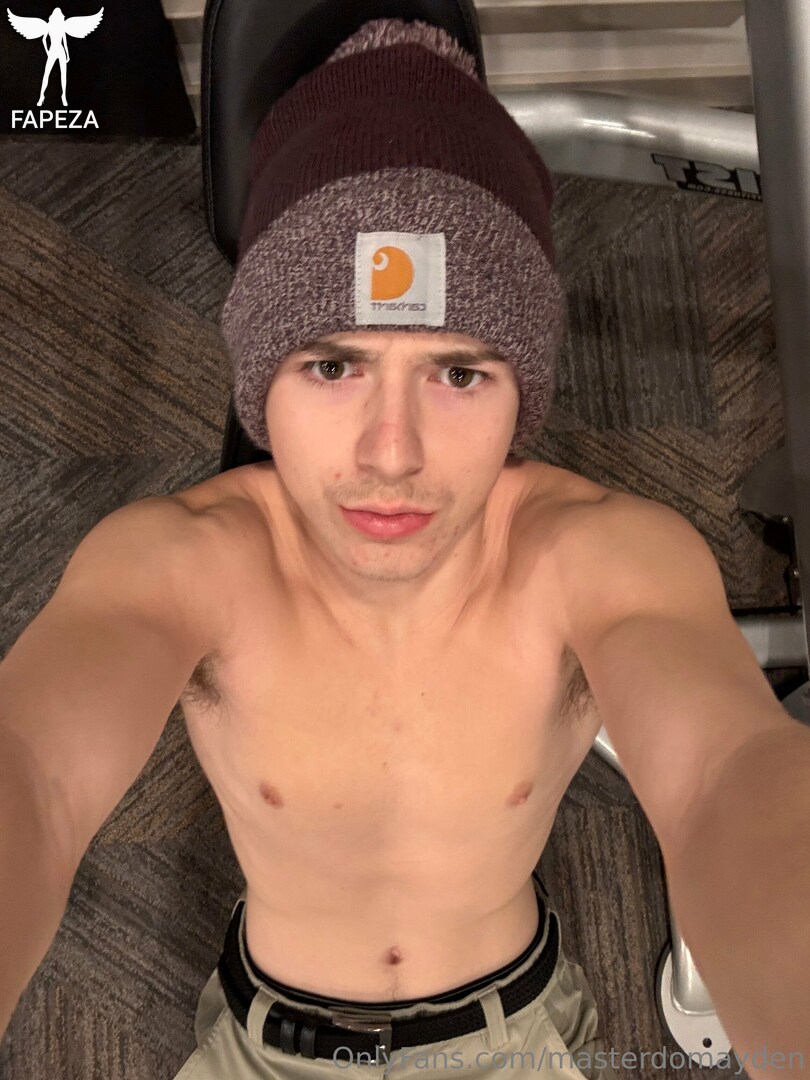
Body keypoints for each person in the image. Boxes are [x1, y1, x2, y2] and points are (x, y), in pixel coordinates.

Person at [1, 14, 809, 1080]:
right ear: (261, 385)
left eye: (458, 373)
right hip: (262, 1047)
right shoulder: (183, 561)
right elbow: (33, 775)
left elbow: (725, 779)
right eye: (334, 367)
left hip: (513, 1037)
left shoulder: (601, 557)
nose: (392, 453)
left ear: (523, 390)